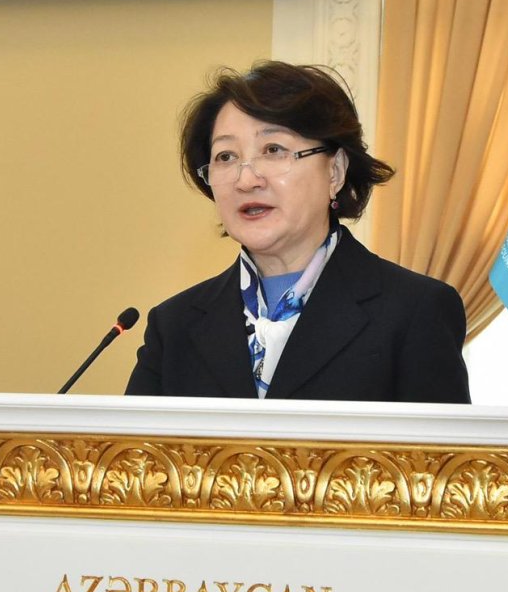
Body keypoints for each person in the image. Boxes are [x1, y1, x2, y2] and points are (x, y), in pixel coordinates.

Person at [126, 61, 471, 403]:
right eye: (226, 156)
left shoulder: (414, 311)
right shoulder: (174, 327)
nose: (246, 180)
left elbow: (440, 459)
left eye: (273, 150)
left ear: (334, 171)